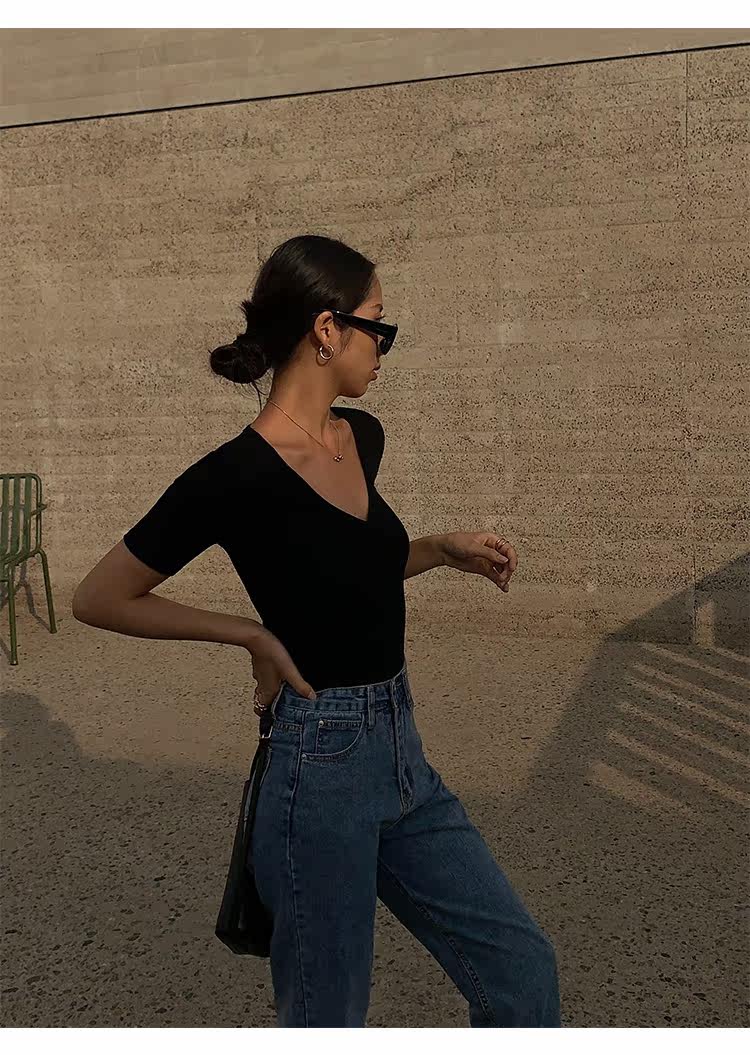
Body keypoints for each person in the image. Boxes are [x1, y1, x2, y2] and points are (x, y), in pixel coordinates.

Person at [72, 233, 561, 1028]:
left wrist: (440, 550)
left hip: (402, 752)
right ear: (327, 330)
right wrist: (251, 635)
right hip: (317, 767)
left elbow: (350, 567)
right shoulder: (233, 476)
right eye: (379, 325)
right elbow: (101, 596)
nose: (385, 347)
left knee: (522, 970)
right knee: (328, 1018)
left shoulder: (361, 437)